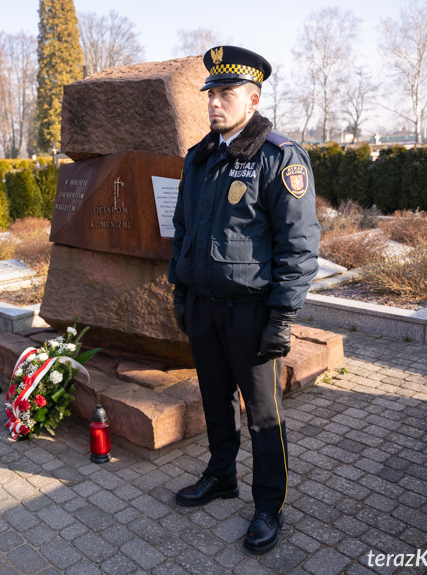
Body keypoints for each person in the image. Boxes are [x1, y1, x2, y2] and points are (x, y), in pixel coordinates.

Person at [169, 46, 320, 554]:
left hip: (252, 314)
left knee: (262, 414)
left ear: (252, 99)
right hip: (205, 307)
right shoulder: (200, 157)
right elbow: (184, 230)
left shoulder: (279, 157)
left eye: (225, 94)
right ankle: (220, 476)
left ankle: (268, 505)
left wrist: (282, 315)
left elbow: (297, 244)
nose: (214, 103)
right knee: (215, 402)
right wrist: (180, 290)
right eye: (210, 93)